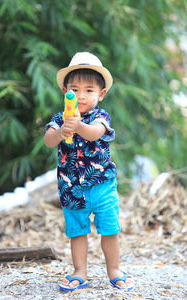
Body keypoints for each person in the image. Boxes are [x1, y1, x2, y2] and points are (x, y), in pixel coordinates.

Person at [44, 52, 133, 291]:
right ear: (66, 92)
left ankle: (114, 270)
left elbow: (95, 133)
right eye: (75, 89)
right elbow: (48, 140)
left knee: (110, 229)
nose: (81, 95)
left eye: (89, 90)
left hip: (101, 184)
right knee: (77, 231)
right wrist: (63, 129)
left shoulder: (100, 116)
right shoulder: (60, 117)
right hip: (71, 186)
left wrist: (79, 126)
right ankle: (79, 272)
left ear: (101, 94)